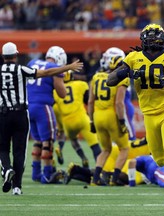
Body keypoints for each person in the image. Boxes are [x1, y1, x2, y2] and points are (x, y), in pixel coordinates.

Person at [107, 23, 164, 211]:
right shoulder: (133, 57)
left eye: (156, 36)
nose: (153, 39)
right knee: (160, 160)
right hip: (148, 113)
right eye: (150, 36)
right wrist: (128, 72)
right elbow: (110, 80)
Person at [0, 42, 83, 195]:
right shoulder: (27, 68)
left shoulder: (30, 63)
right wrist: (67, 69)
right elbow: (57, 88)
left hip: (15, 110)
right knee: (40, 144)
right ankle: (38, 178)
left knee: (14, 146)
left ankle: (22, 171)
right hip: (34, 109)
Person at [88, 47, 130, 186]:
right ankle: (115, 178)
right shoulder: (121, 79)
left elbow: (90, 102)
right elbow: (119, 103)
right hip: (111, 116)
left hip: (98, 116)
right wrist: (122, 122)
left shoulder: (96, 77)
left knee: (105, 149)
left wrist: (91, 121)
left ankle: (95, 179)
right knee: (124, 148)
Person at [27, 46, 67, 184]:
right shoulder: (54, 68)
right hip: (43, 107)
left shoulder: (32, 63)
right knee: (48, 142)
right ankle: (47, 175)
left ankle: (36, 173)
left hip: (29, 106)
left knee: (37, 141)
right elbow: (62, 93)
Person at [53, 72, 101, 167]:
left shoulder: (55, 92)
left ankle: (83, 158)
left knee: (74, 141)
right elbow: (87, 99)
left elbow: (55, 106)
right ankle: (100, 170)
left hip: (67, 123)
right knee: (94, 145)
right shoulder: (80, 84)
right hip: (81, 118)